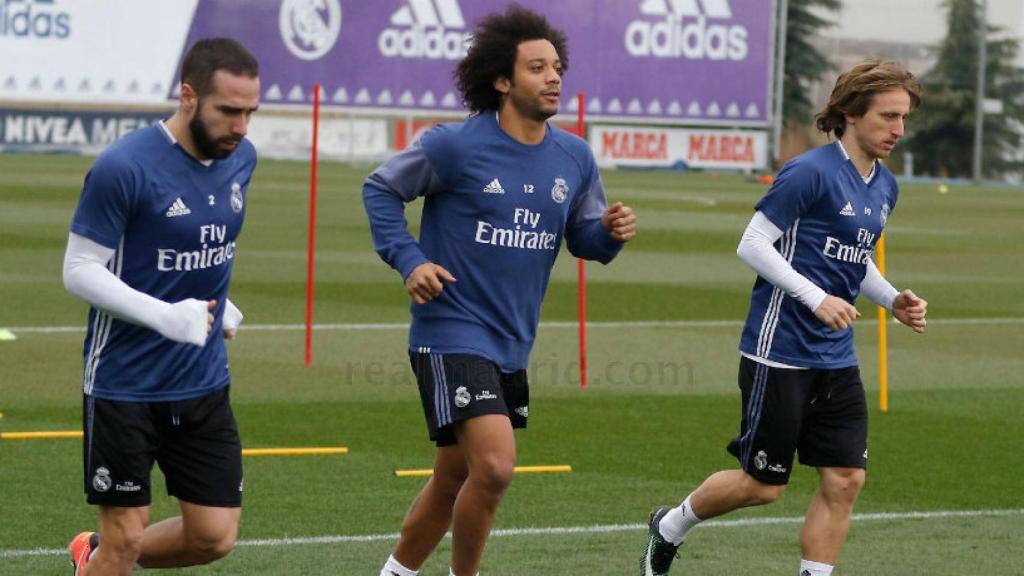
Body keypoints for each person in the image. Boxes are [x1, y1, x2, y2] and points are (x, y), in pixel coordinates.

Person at [363, 6, 636, 576]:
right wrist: (410, 260)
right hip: (450, 330)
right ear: (502, 80)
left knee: (452, 477)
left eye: (557, 66)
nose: (554, 77)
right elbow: (381, 189)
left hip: (512, 341)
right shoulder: (453, 147)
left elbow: (583, 239)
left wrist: (608, 234)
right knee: (495, 467)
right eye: (537, 67)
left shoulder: (575, 157)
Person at [640, 60, 929, 576]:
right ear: (851, 113)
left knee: (845, 478)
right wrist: (815, 298)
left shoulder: (885, 186)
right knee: (763, 486)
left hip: (836, 357)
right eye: (888, 117)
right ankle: (670, 526)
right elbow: (752, 243)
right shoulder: (809, 172)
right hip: (780, 351)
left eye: (904, 118)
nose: (899, 131)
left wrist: (891, 300)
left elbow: (852, 257)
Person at [63, 37, 259, 576]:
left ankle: (90, 557)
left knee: (213, 537)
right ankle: (103, 556)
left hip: (203, 381)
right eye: (229, 111)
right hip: (124, 382)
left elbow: (195, 247)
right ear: (189, 97)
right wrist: (167, 316)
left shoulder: (241, 158)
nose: (241, 126)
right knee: (124, 539)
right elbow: (78, 270)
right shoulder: (123, 167)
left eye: (250, 112)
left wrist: (224, 303)